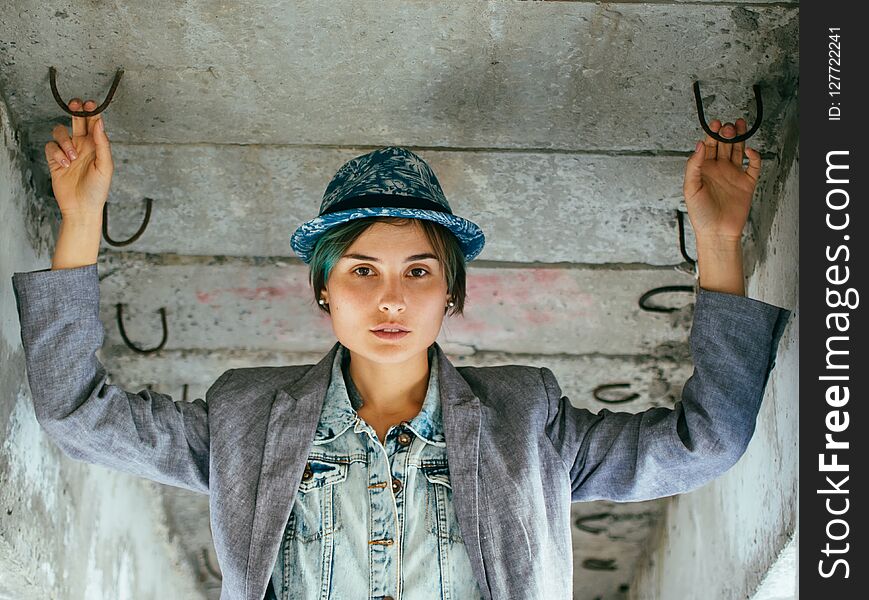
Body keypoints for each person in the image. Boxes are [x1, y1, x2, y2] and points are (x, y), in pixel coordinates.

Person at [12, 98, 791, 600]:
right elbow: (80, 417)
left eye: (419, 271)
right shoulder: (246, 416)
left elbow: (705, 440)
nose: (390, 297)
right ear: (323, 290)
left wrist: (720, 242)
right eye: (361, 270)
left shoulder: (525, 419)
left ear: (451, 293)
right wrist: (80, 221)